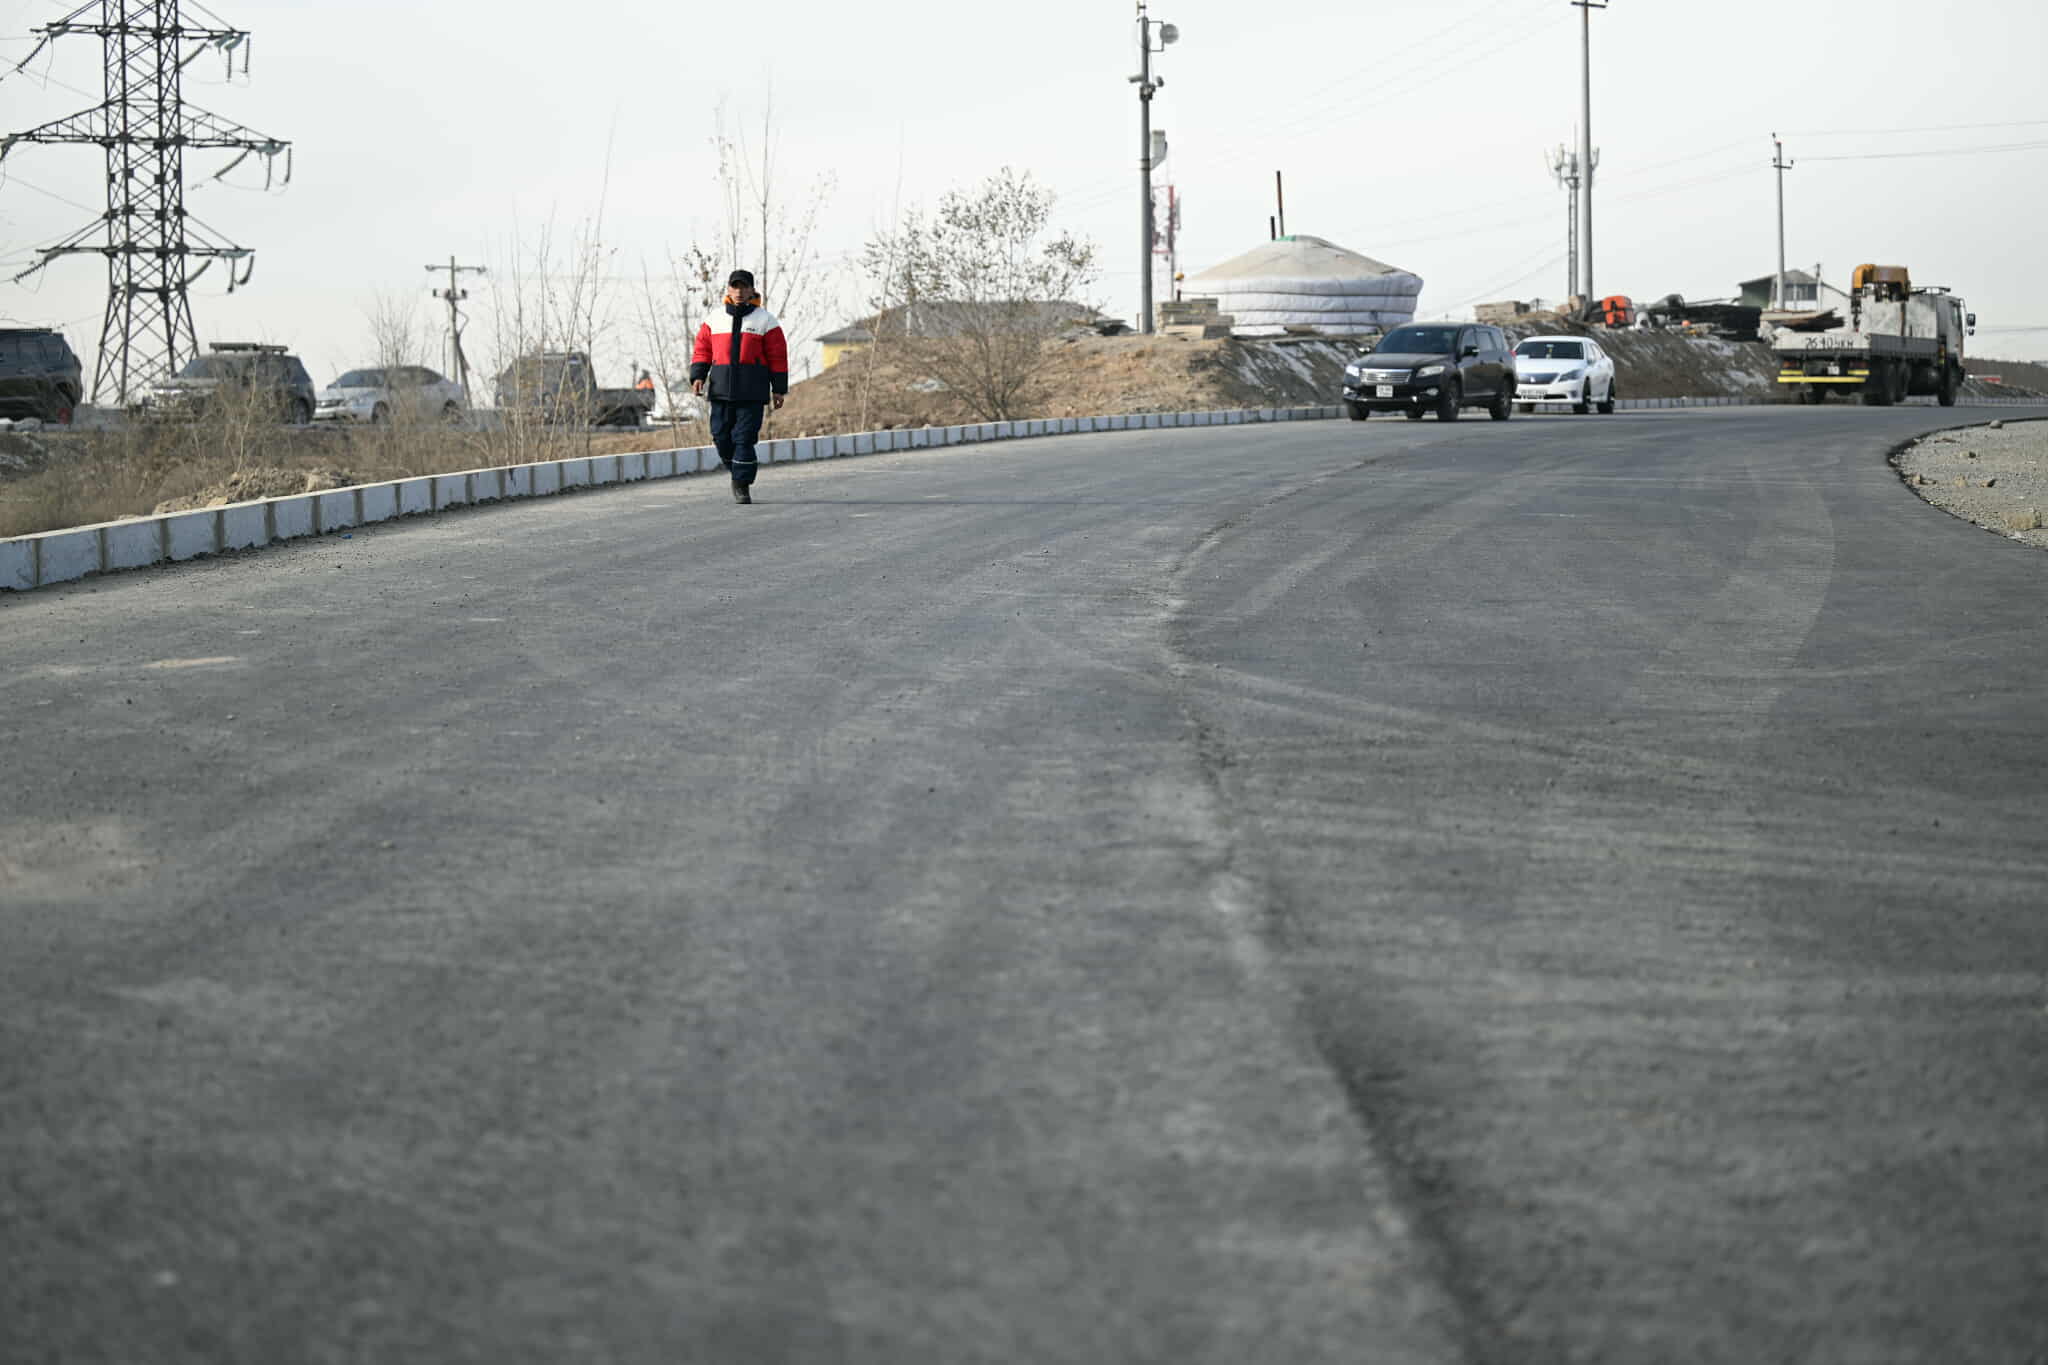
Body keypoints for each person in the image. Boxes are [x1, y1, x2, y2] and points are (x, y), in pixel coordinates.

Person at [690, 269, 788, 504]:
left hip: (752, 392)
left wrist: (779, 389)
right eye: (735, 287)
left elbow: (778, 356)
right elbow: (703, 349)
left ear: (752, 290)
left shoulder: (765, 320)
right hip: (720, 390)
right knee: (720, 436)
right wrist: (698, 375)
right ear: (728, 289)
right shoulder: (714, 319)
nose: (739, 292)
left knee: (743, 438)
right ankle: (738, 470)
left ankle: (741, 484)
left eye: (744, 287)